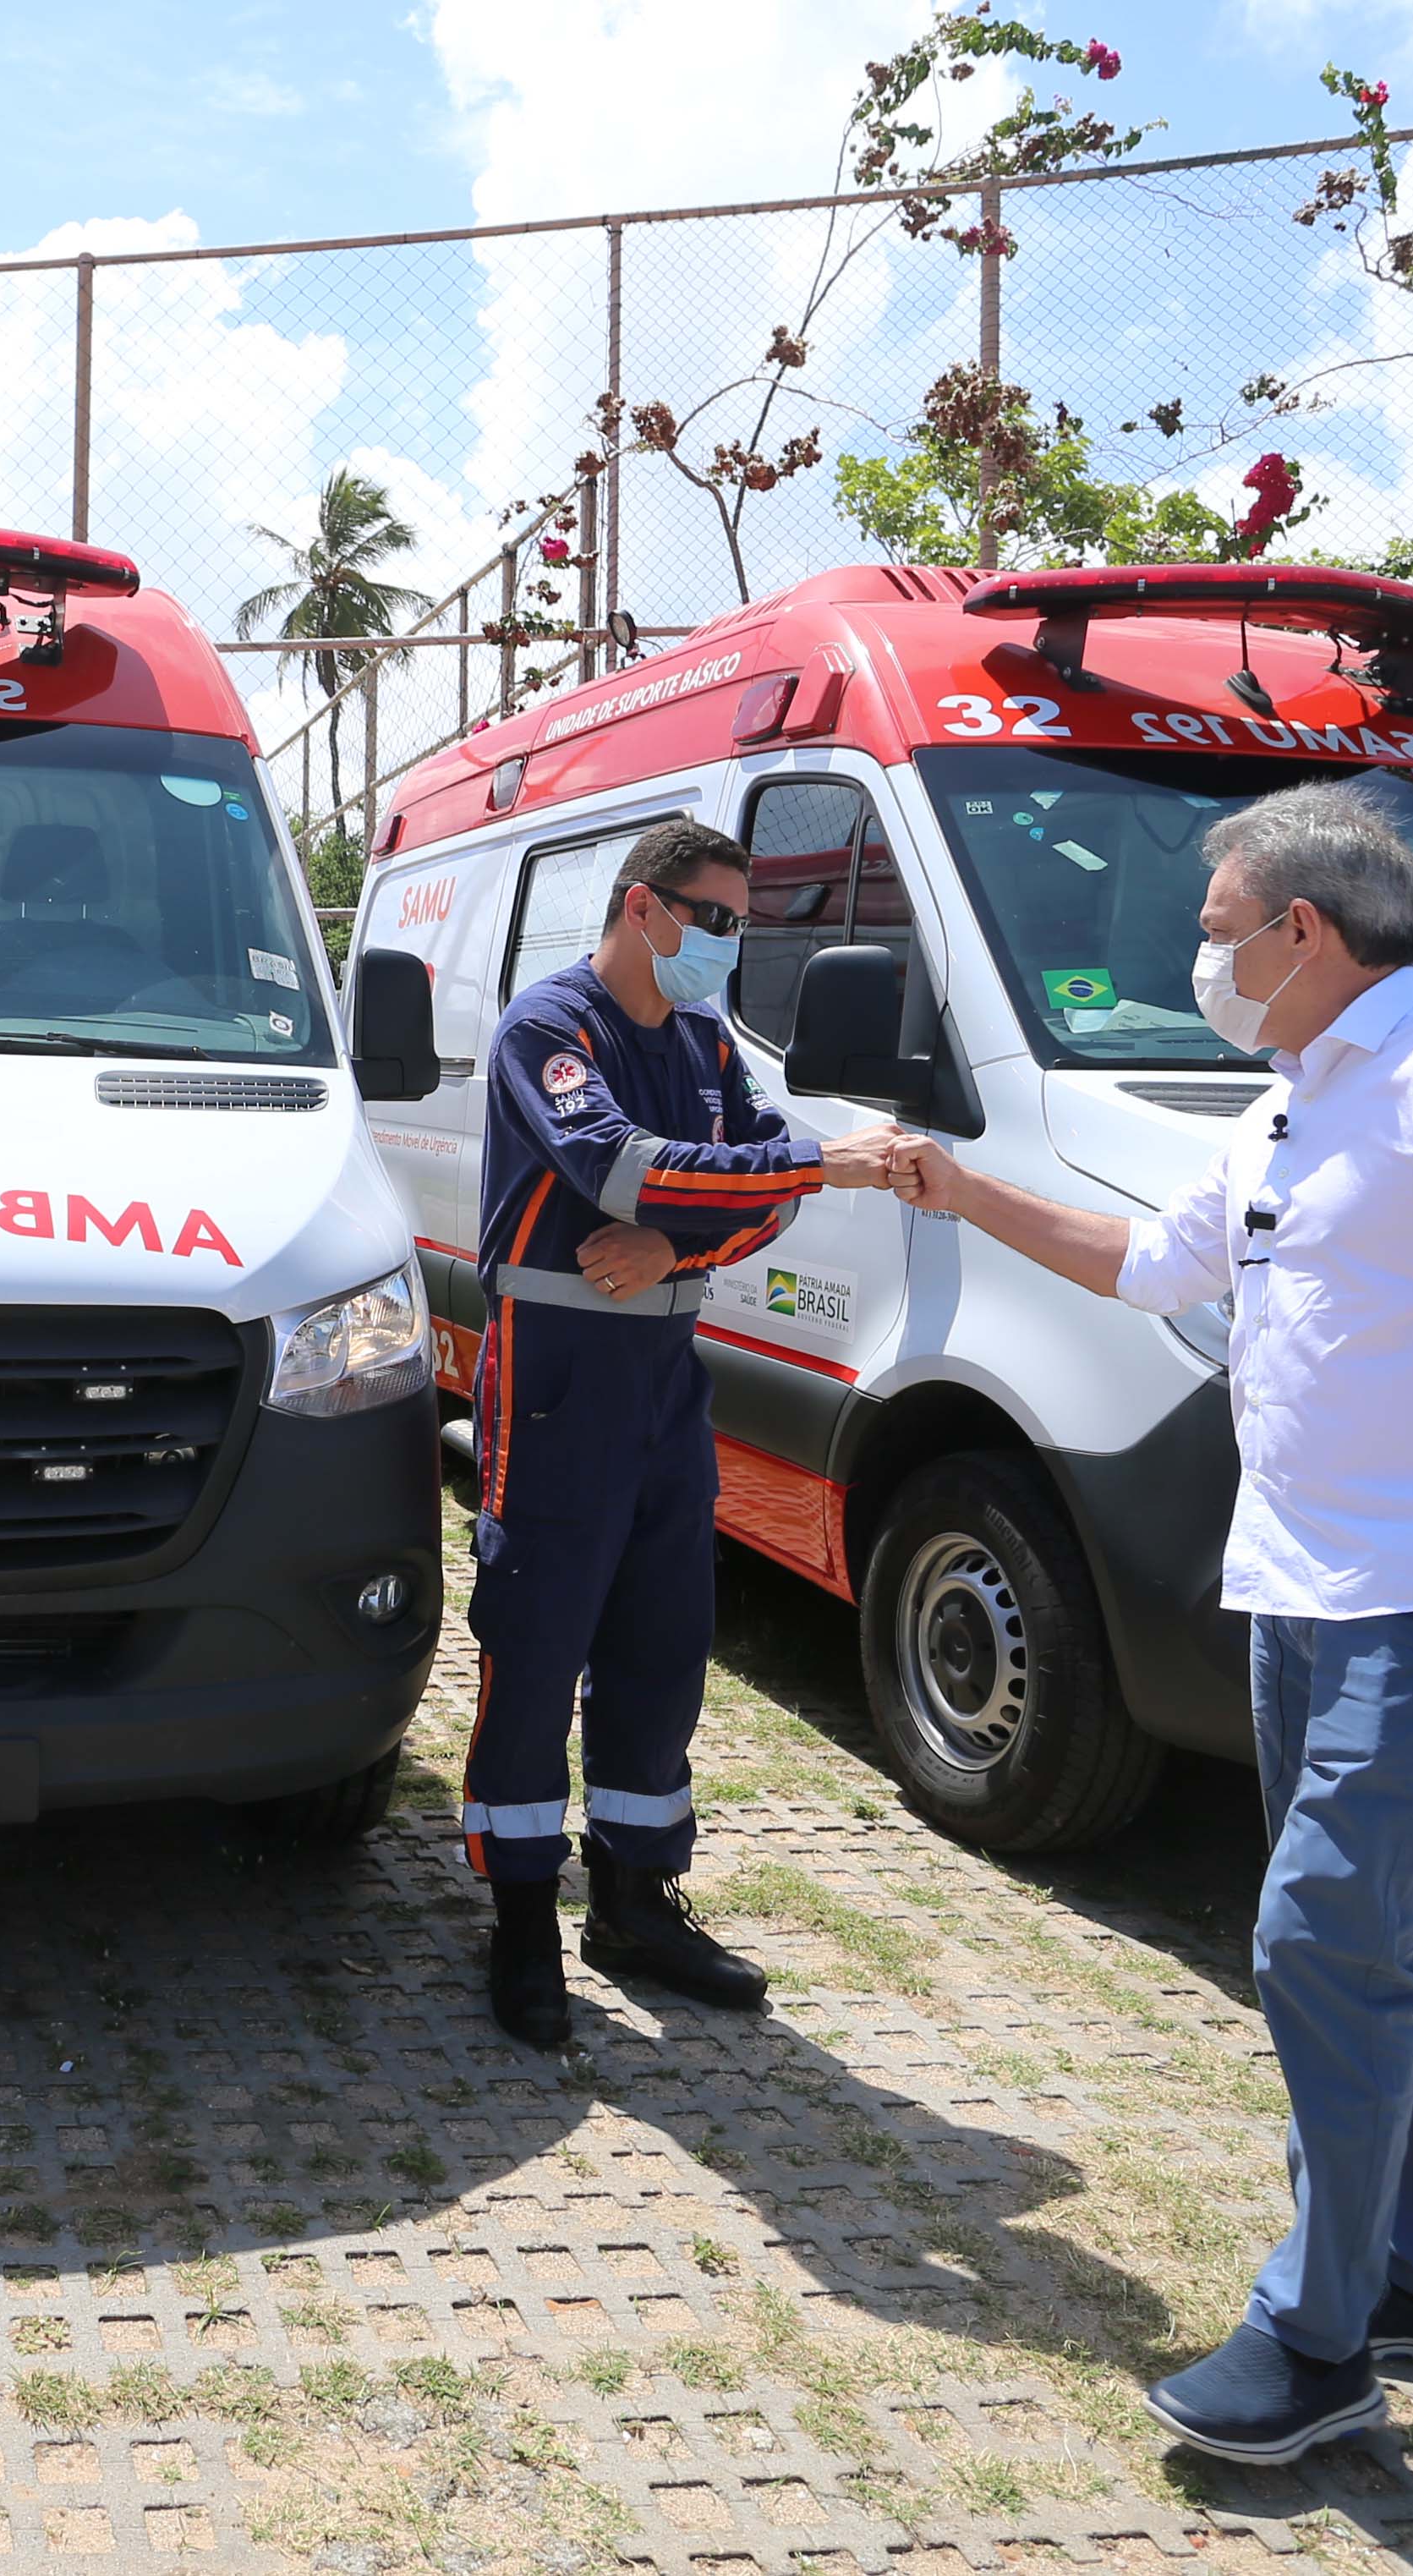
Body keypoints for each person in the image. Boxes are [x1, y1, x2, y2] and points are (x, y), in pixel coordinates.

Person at [874, 780, 1413, 2464]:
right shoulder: (1288, 1106)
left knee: (1317, 1937)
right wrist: (959, 1191)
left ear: (1300, 929)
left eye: (1214, 928)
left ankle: (1318, 2337)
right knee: (1386, 1935)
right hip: (1301, 1591)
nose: (1200, 960)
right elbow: (1149, 1263)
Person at [467, 818, 900, 2045]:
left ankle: (634, 1898)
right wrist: (812, 1166)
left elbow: (760, 1191)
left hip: (666, 1366)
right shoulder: (551, 1029)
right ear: (642, 906)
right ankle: (522, 1918)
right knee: (536, 1640)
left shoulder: (705, 1039)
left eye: (740, 924)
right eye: (714, 918)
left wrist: (678, 1243)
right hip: (557, 1371)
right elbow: (618, 1166)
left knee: (663, 1641)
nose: (727, 942)